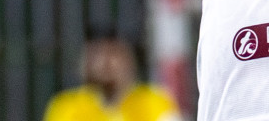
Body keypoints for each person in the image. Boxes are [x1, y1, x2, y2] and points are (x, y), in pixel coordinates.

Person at [42, 28, 180, 121]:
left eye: (113, 54)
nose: (104, 63)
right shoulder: (67, 107)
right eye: (97, 55)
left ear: (130, 60)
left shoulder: (153, 102)